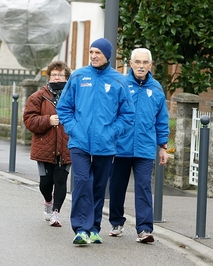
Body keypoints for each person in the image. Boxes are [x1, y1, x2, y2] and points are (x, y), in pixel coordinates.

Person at [56, 38, 135, 245]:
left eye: (98, 52)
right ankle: (81, 228)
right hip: (79, 142)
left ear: (107, 55)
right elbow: (64, 107)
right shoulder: (79, 76)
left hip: (105, 144)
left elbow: (127, 115)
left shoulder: (119, 81)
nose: (93, 56)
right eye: (91, 52)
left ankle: (94, 227)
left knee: (99, 187)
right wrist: (73, 128)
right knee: (83, 182)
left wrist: (112, 132)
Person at [108, 48, 169, 243]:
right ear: (131, 64)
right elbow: (111, 114)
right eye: (137, 62)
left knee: (143, 187)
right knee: (117, 187)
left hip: (144, 148)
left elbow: (162, 119)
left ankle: (144, 229)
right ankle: (116, 222)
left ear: (150, 65)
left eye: (145, 62)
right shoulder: (121, 84)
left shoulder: (157, 89)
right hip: (120, 147)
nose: (141, 66)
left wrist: (163, 146)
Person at [23, 61, 72, 227]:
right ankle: (48, 200)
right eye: (54, 74)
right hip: (45, 146)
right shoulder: (38, 97)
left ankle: (56, 213)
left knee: (60, 180)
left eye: (60, 75)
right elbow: (29, 120)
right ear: (49, 77)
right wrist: (47, 120)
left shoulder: (74, 96)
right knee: (45, 183)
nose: (57, 77)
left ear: (67, 77)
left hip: (66, 146)